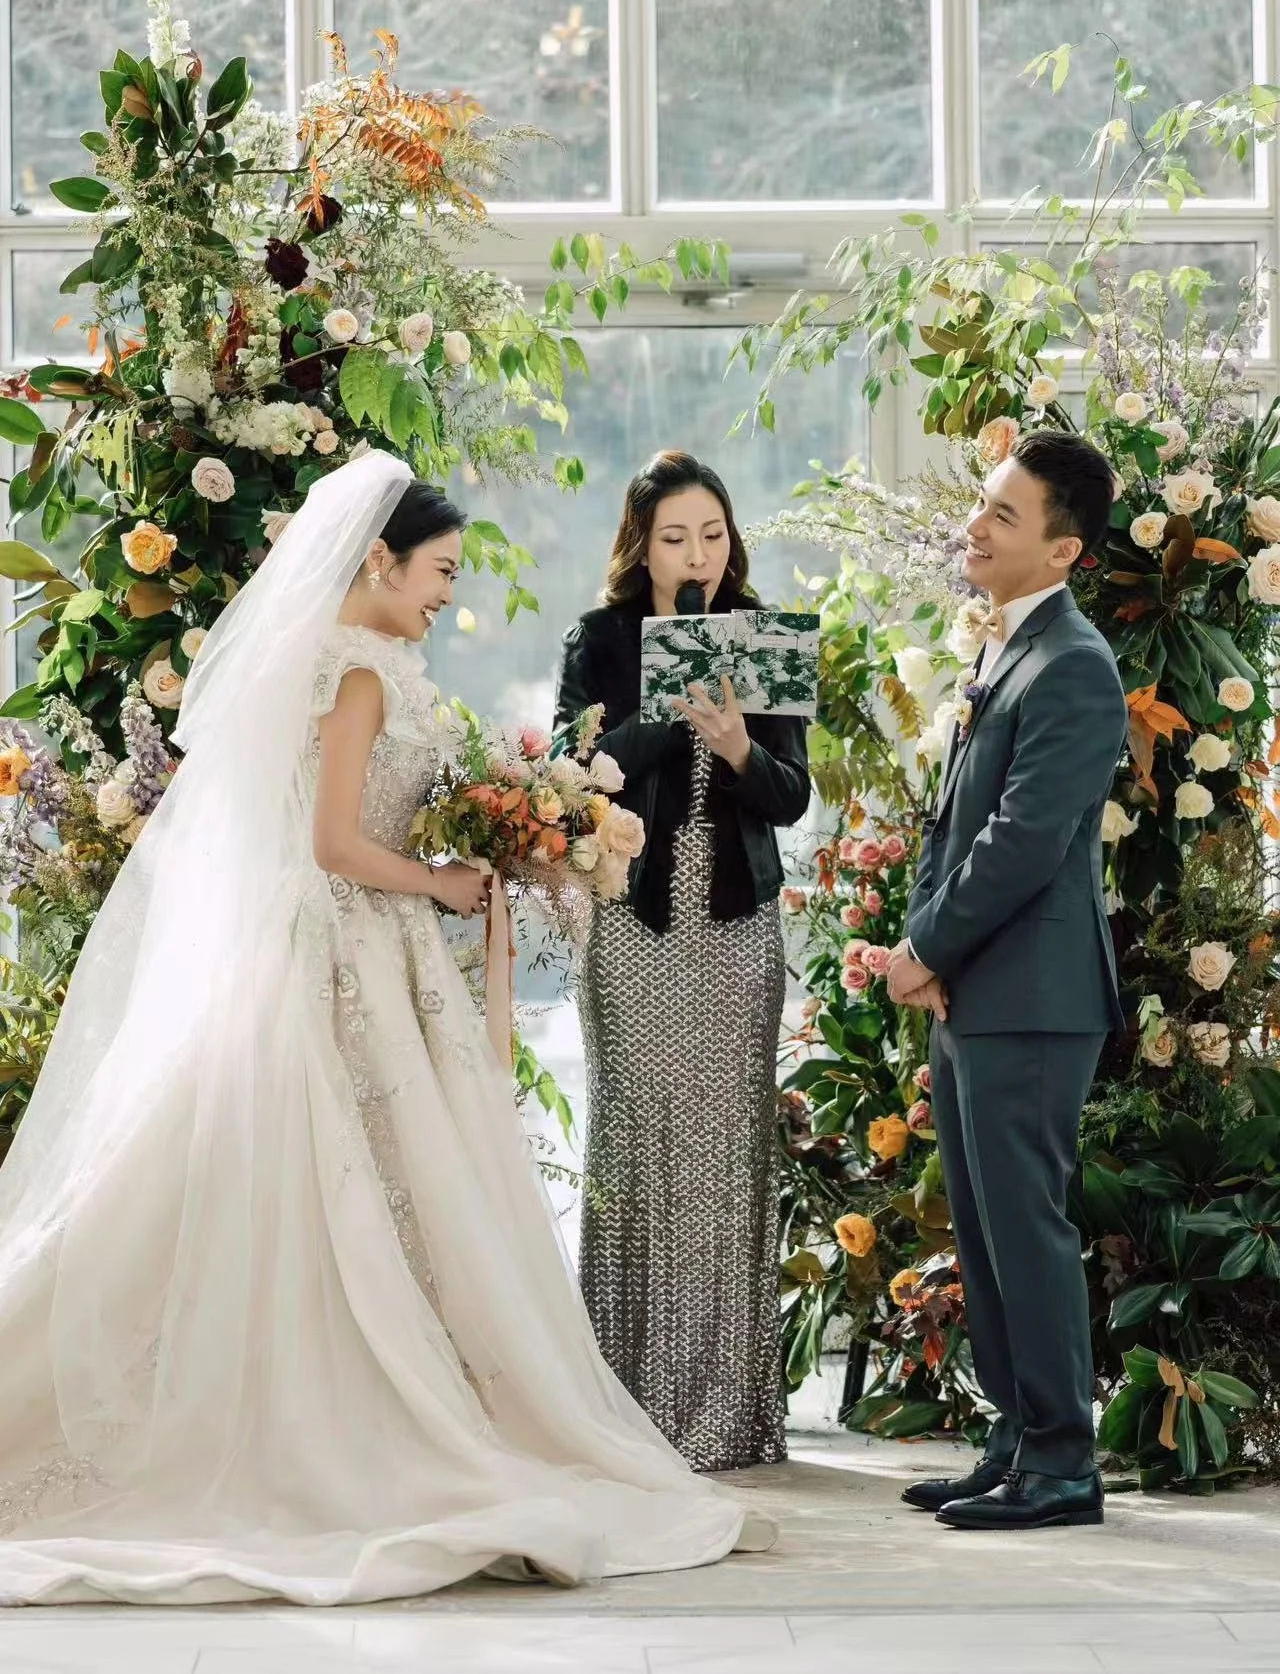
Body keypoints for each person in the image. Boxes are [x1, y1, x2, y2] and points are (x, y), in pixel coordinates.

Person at [0, 450, 772, 1604]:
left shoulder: (363, 664)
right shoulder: (357, 676)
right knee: (331, 1177)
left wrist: (492, 837)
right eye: (441, 570)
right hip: (342, 944)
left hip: (376, 941)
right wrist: (443, 881)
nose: (449, 592)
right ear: (377, 560)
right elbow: (331, 844)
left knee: (366, 1182)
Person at [887, 430, 1127, 1532]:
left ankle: (1063, 1462)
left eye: (1001, 514)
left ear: (1063, 550)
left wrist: (930, 948)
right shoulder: (1009, 647)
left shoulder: (1074, 662)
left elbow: (1023, 842)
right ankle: (1017, 1439)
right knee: (984, 1233)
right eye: (981, 504)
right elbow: (952, 827)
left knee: (1024, 1226)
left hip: (1032, 994)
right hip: (977, 987)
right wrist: (922, 951)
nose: (973, 525)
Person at [554, 450, 810, 1473]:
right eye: (674, 537)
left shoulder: (764, 635)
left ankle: (725, 1409)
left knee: (726, 1151)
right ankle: (626, 1404)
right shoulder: (599, 639)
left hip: (737, 924)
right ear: (641, 546)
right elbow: (573, 772)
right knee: (636, 1144)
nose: (696, 554)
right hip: (633, 919)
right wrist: (667, 716)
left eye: (711, 534)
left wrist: (741, 746)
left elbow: (791, 796)